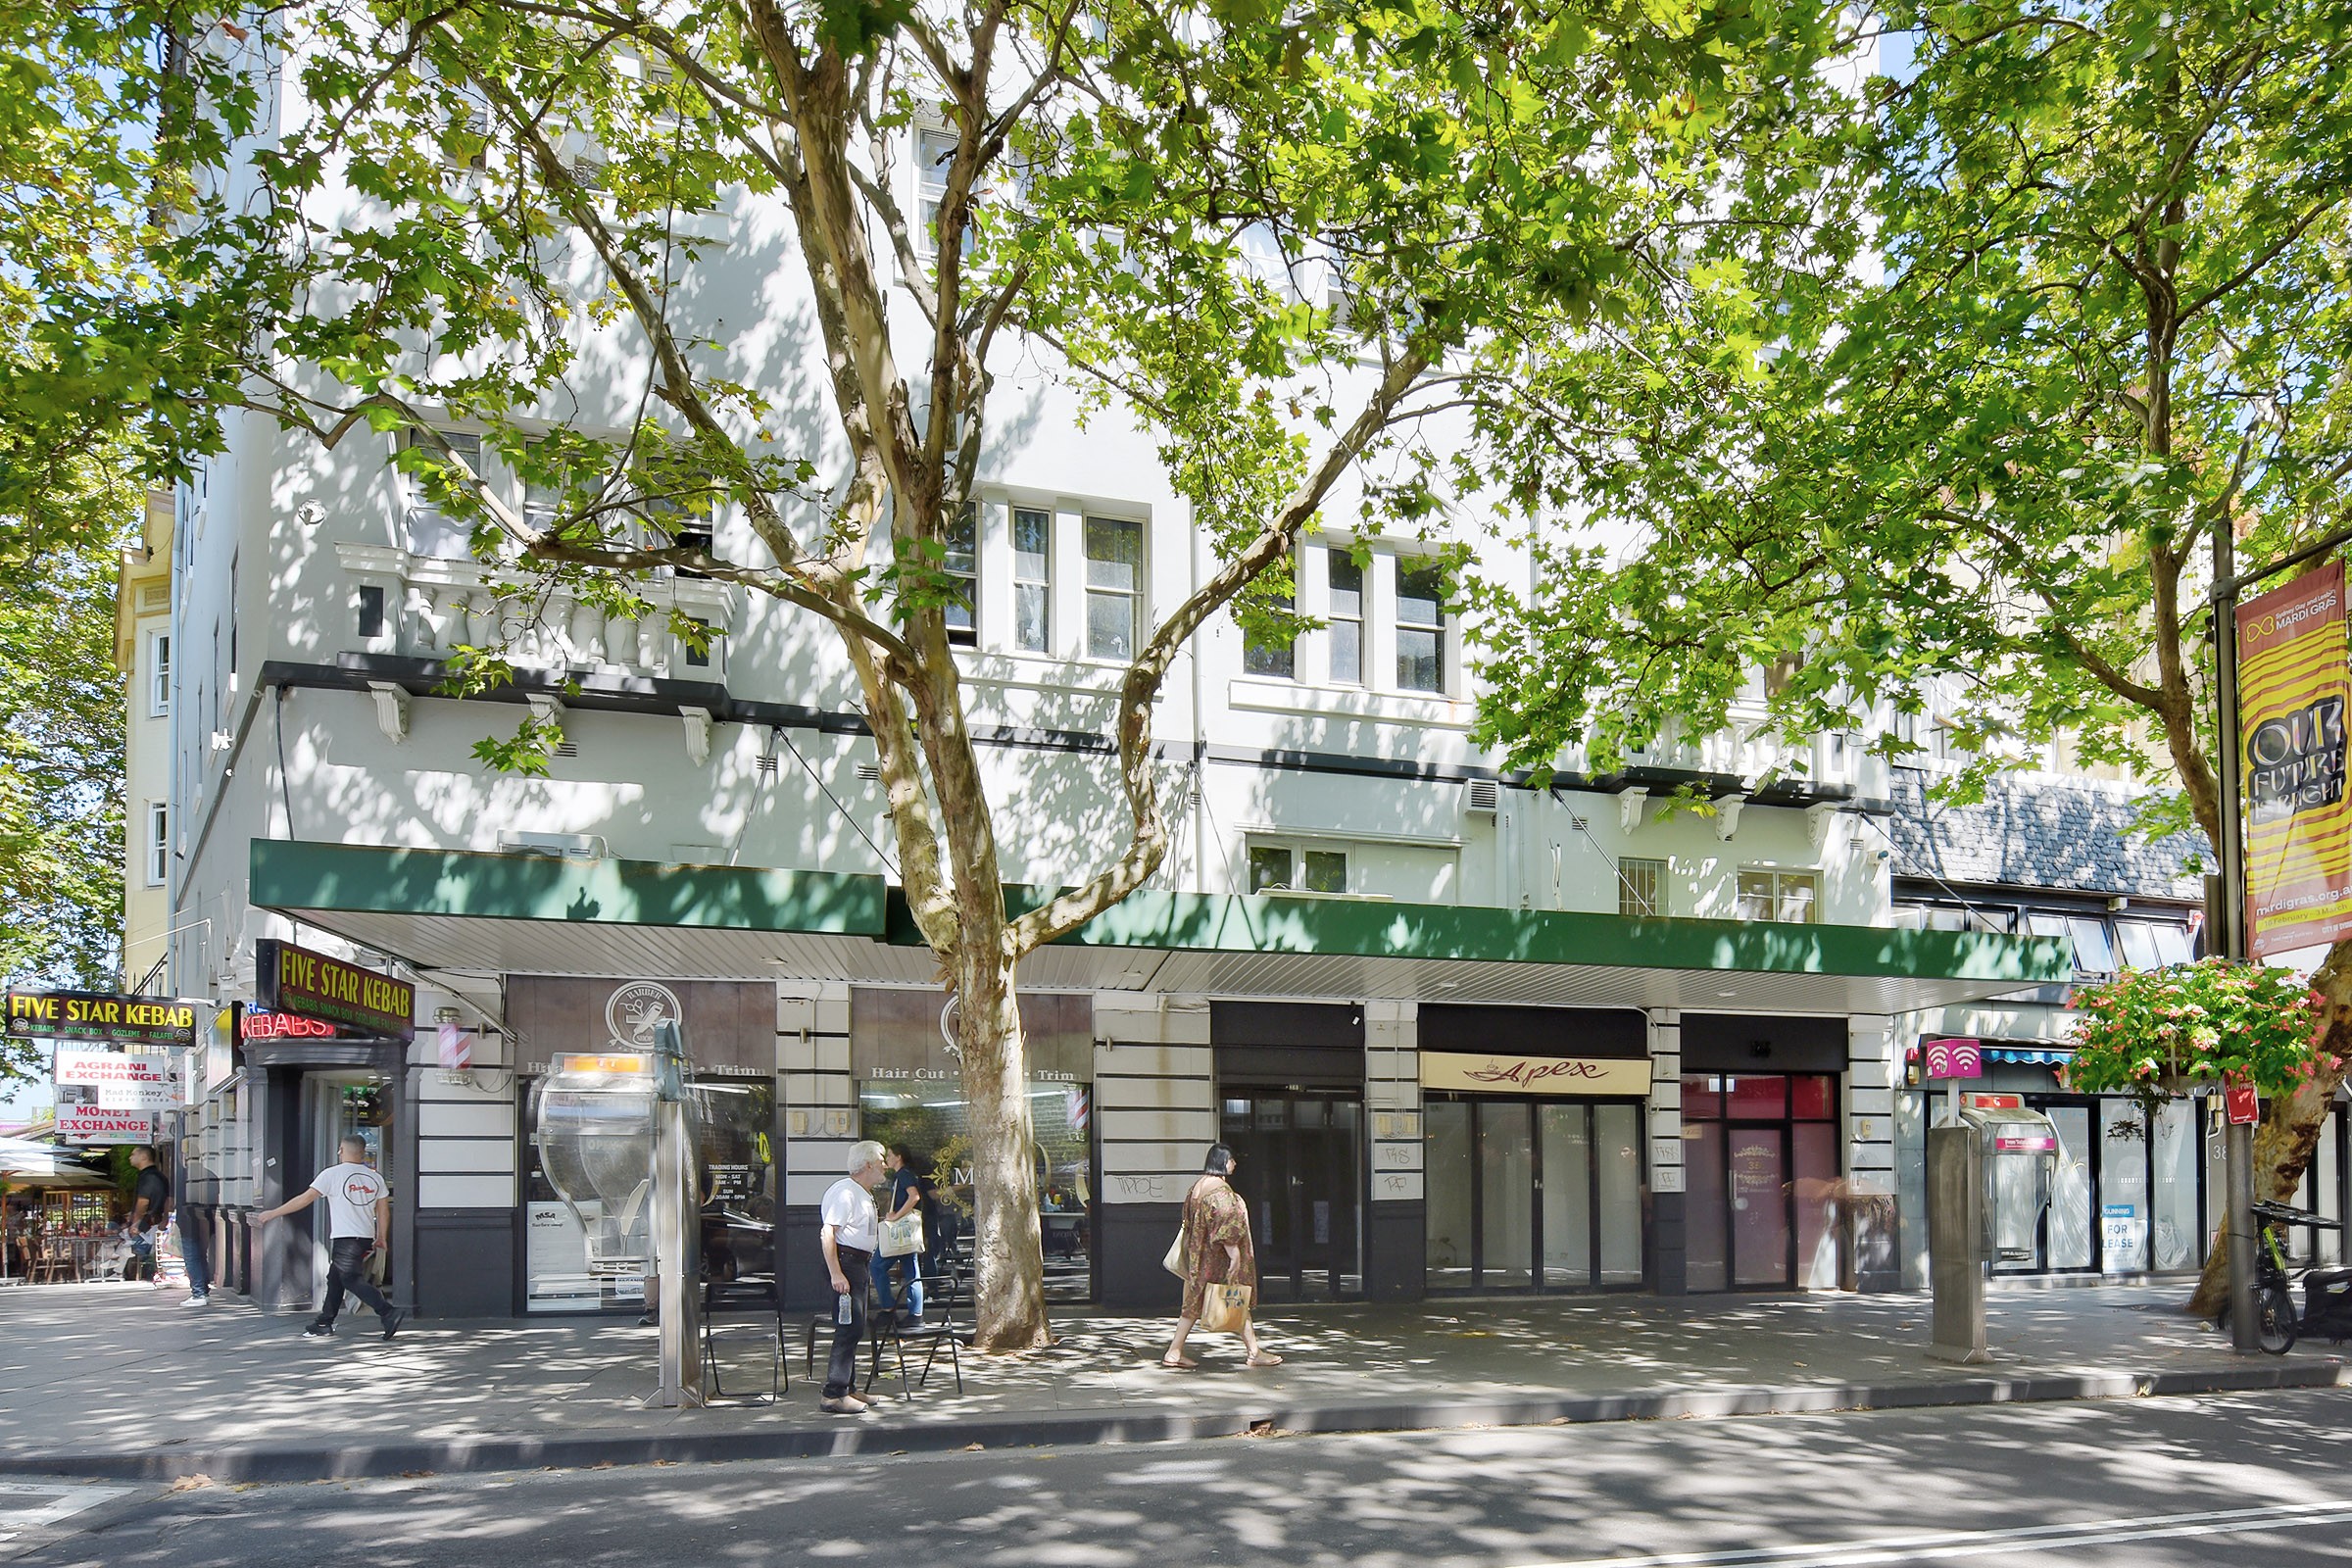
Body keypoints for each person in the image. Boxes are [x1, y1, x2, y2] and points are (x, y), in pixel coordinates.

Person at [254, 1136, 405, 1341]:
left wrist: (273, 1213)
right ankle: (324, 1322)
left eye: (340, 1149)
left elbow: (304, 1199)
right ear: (363, 1152)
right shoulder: (375, 1178)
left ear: (341, 1150)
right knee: (335, 1279)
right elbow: (383, 1211)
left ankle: (387, 1312)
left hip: (345, 1237)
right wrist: (381, 1237)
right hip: (364, 1237)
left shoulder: (332, 1174)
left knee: (349, 1278)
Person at [1161, 1144, 1281, 1371]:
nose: (1234, 1163)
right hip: (1216, 1260)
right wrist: (1234, 1255)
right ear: (1223, 1162)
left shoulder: (1197, 1187)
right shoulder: (1220, 1191)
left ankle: (1176, 1352)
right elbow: (1225, 1224)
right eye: (1231, 1159)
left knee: (1198, 1304)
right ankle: (1253, 1353)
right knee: (1234, 1297)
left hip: (1198, 1258)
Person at [818, 1140, 886, 1415]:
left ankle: (848, 1387)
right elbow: (828, 1232)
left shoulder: (860, 1192)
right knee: (848, 1327)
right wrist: (836, 1272)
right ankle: (833, 1394)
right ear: (868, 1164)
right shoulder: (845, 1192)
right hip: (847, 1263)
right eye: (881, 1160)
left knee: (856, 1327)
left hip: (857, 1264)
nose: (885, 1165)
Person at [873, 1144, 927, 1327]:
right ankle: (916, 1314)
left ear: (898, 1157)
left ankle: (888, 1309)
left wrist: (896, 1215)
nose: (887, 1159)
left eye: (889, 1155)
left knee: (877, 1266)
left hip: (899, 1230)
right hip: (907, 1231)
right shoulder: (906, 1174)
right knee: (911, 1270)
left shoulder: (903, 1175)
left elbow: (914, 1196)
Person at [124, 1146, 170, 1284]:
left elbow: (143, 1201)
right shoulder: (157, 1176)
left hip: (148, 1225)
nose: (130, 1157)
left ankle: (148, 1277)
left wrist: (136, 1222)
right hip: (155, 1222)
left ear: (144, 1157)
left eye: (133, 1154)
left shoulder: (149, 1177)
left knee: (142, 1255)